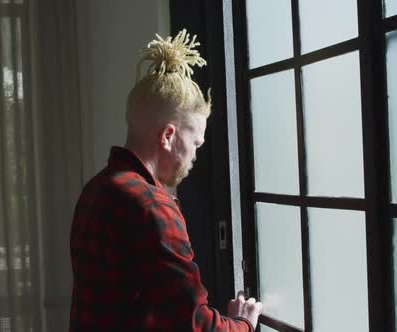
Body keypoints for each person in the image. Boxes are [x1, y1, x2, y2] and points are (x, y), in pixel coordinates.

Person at [69, 30, 263, 331]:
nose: (195, 155)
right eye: (196, 143)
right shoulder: (152, 206)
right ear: (169, 136)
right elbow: (193, 324)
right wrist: (243, 324)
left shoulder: (95, 190)